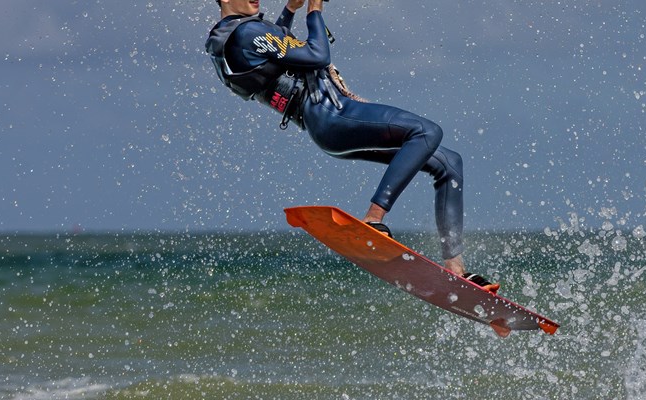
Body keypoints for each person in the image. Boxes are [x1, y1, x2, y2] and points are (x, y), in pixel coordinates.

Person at [206, 0, 499, 293]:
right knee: (426, 132)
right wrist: (314, 10)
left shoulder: (229, 40)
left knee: (449, 164)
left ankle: (456, 270)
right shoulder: (246, 34)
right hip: (332, 115)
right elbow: (317, 55)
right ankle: (374, 219)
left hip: (325, 125)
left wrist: (290, 10)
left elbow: (274, 49)